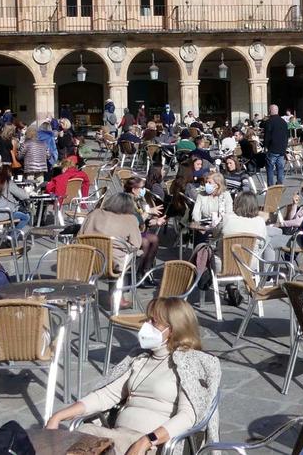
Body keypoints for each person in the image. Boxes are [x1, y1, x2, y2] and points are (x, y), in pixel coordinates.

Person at [46, 298, 219, 453]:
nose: (146, 325)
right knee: (80, 436)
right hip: (118, 436)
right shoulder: (140, 358)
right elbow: (105, 395)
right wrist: (58, 416)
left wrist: (147, 440)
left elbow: (188, 417)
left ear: (172, 330)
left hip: (153, 445)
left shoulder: (189, 364)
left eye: (154, 322)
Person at [80, 192, 144, 277]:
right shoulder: (130, 219)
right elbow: (136, 244)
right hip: (114, 262)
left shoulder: (94, 213)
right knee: (139, 252)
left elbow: (80, 234)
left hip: (89, 258)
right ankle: (128, 282)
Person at [263, 104, 289, 187]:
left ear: (270, 111)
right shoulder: (284, 122)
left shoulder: (269, 122)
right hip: (282, 149)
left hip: (272, 148)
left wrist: (265, 146)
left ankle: (271, 186)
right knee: (280, 168)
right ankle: (280, 184)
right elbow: (286, 135)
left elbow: (267, 136)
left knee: (270, 168)